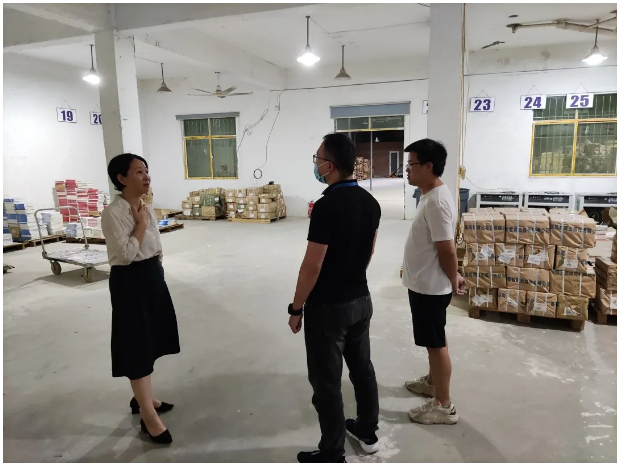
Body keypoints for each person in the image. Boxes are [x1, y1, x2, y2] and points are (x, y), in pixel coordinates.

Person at [288, 133, 381, 463]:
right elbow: (369, 251)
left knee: (326, 382)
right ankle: (367, 431)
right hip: (361, 300)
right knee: (362, 370)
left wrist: (296, 307)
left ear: (330, 166)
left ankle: (332, 451)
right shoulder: (370, 203)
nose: (316, 164)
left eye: (318, 159)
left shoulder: (326, 207)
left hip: (328, 308)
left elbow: (312, 266)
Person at [101, 153, 180, 444]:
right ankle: (148, 416)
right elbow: (124, 255)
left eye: (146, 170)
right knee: (136, 345)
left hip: (151, 277)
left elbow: (155, 245)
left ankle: (143, 399)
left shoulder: (145, 207)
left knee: (151, 341)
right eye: (138, 172)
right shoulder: (113, 213)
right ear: (121, 178)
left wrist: (158, 269)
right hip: (130, 281)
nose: (146, 176)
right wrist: (140, 225)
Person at [401, 138, 466, 425]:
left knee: (436, 344)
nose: (407, 170)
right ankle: (432, 382)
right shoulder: (430, 196)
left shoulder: (437, 202)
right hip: (424, 283)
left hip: (430, 288)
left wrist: (453, 277)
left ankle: (443, 405)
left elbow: (447, 249)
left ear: (428, 166)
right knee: (433, 340)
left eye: (411, 164)